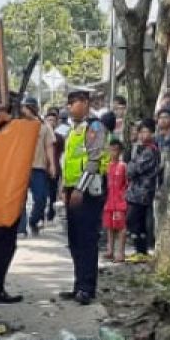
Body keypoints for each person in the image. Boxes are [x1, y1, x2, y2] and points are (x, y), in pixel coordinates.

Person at [60, 87, 108, 304]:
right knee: (74, 239)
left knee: (87, 239)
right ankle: (78, 284)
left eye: (73, 103)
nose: (70, 108)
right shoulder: (74, 130)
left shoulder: (94, 127)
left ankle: (87, 288)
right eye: (69, 104)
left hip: (87, 191)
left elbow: (94, 160)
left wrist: (79, 188)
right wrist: (64, 187)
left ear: (84, 103)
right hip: (73, 189)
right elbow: (67, 162)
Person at [125, 117, 161, 260]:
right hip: (136, 191)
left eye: (146, 132)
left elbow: (133, 169)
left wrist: (130, 165)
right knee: (137, 222)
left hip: (143, 191)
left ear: (152, 133)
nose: (142, 135)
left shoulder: (150, 151)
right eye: (140, 132)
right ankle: (139, 251)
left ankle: (142, 250)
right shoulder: (141, 149)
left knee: (133, 219)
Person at [21, 97, 56, 236]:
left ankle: (33, 220)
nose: (26, 110)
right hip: (21, 168)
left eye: (28, 107)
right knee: (19, 200)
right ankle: (21, 228)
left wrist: (52, 164)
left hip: (38, 167)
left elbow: (49, 147)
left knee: (41, 198)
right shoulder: (19, 124)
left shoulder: (44, 126)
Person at [102, 139, 128, 262]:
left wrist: (124, 196)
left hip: (120, 200)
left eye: (116, 150)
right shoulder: (106, 166)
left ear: (120, 151)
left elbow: (127, 183)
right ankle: (110, 250)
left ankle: (120, 253)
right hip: (109, 200)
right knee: (109, 226)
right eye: (111, 150)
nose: (114, 153)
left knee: (121, 227)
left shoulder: (123, 166)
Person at [45, 108, 65, 222]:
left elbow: (62, 153)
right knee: (43, 193)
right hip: (42, 168)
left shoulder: (59, 138)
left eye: (53, 120)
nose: (51, 122)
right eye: (49, 120)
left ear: (57, 122)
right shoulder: (41, 135)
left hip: (55, 168)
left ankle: (50, 214)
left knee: (52, 193)